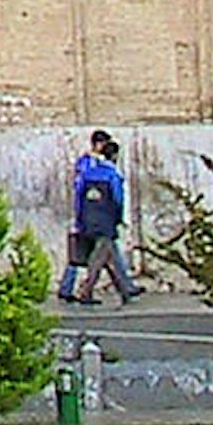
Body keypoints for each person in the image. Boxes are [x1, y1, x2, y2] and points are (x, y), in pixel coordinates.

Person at [61, 130, 141, 305]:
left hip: (87, 220)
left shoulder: (88, 171)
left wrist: (80, 217)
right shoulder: (112, 174)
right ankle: (86, 290)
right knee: (97, 259)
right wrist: (119, 218)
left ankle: (126, 288)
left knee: (108, 255)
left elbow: (79, 194)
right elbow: (117, 199)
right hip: (105, 222)